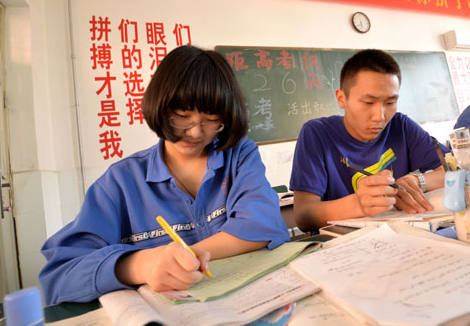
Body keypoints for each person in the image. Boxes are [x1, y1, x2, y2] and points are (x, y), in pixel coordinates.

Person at [39, 45, 290, 305]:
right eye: (182, 117)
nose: (195, 133)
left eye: (211, 120)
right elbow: (60, 275)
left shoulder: (238, 155)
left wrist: (189, 256)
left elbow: (263, 225)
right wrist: (138, 265)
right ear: (159, 109)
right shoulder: (121, 182)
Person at [289, 49, 447, 233]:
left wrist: (418, 180)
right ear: (341, 98)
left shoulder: (401, 125)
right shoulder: (317, 133)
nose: (379, 116)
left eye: (390, 103)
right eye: (368, 103)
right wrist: (357, 204)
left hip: (402, 236)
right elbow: (303, 215)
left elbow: (456, 171)